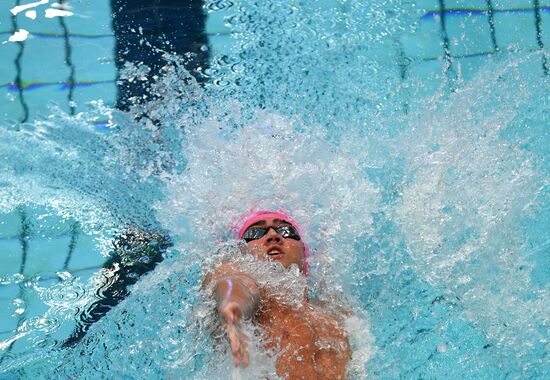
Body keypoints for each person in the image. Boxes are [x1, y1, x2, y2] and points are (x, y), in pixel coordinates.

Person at [205, 211, 351, 379]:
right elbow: (232, 281)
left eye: (286, 231)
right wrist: (231, 303)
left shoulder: (335, 312)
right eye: (255, 233)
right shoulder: (257, 289)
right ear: (241, 253)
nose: (273, 235)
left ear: (304, 251)